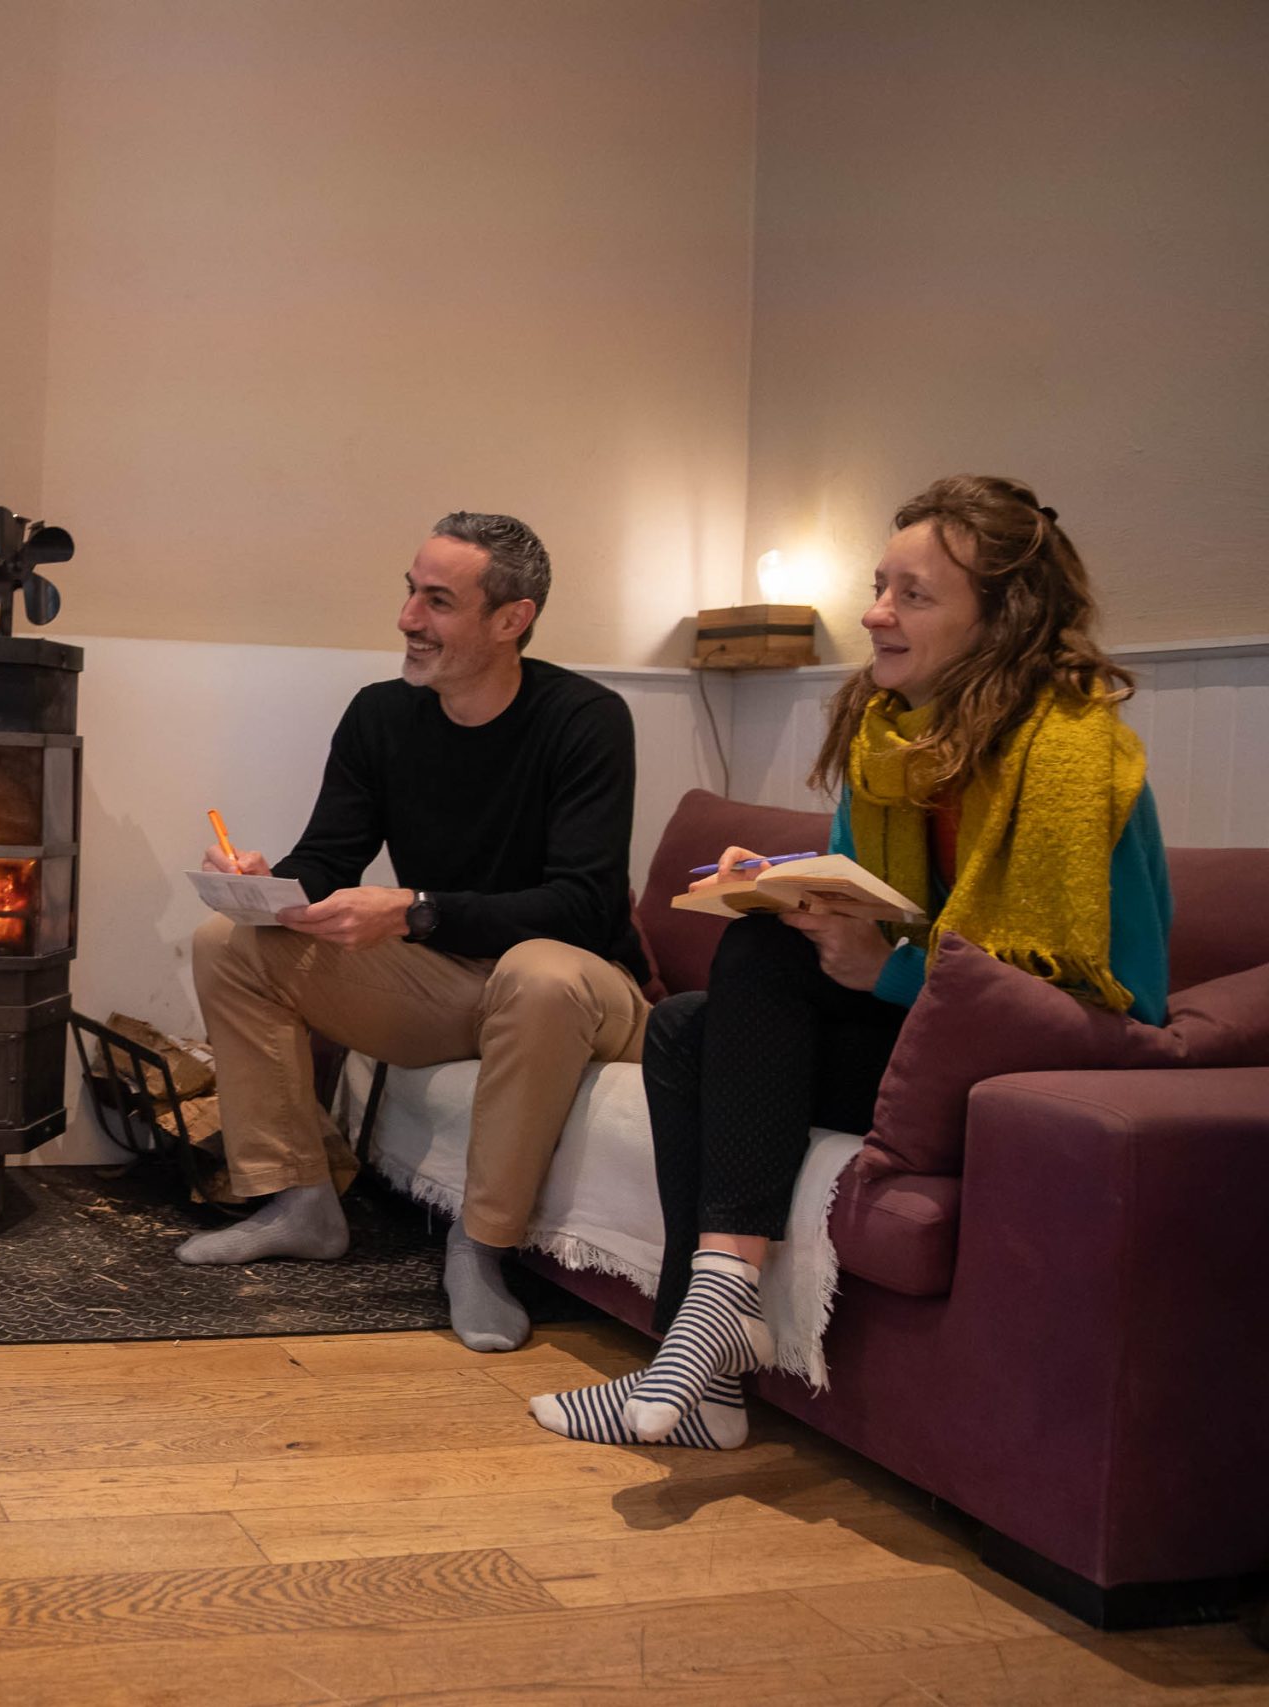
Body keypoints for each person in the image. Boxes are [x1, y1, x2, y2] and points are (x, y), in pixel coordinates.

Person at [532, 474, 1169, 1450]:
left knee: (731, 987)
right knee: (685, 1023)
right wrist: (786, 883)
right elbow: (889, 909)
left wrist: (888, 971)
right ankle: (699, 1369)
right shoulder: (886, 746)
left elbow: (1089, 998)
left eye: (912, 595)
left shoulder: (1078, 760)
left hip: (1040, 1071)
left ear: (1003, 619)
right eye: (879, 585)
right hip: (925, 1038)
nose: (873, 613)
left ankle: (701, 1330)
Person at [187, 511, 649, 1353]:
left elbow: (583, 905)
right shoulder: (380, 717)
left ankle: (481, 1247)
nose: (407, 618)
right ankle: (299, 1200)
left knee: (539, 971)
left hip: (579, 990)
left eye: (437, 601)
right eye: (410, 591)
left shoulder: (585, 719)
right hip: (446, 984)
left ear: (513, 619)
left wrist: (414, 908)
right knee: (229, 944)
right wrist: (270, 886)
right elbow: (331, 855)